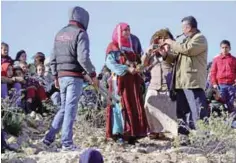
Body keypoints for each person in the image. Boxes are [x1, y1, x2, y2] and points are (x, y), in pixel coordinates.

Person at [43, 6, 98, 151]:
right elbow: (83, 58)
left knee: (63, 108)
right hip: (74, 77)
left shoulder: (59, 33)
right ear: (84, 19)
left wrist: (55, 75)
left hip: (61, 76)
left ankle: (48, 138)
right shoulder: (81, 33)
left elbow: (53, 57)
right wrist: (92, 74)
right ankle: (67, 143)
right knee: (70, 109)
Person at [161, 16, 208, 135]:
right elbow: (175, 58)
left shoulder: (200, 38)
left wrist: (171, 42)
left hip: (192, 82)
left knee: (197, 111)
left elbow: (188, 50)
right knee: (183, 112)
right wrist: (165, 54)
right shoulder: (185, 41)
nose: (182, 30)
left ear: (188, 27)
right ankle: (184, 137)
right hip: (181, 82)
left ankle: (201, 137)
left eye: (183, 27)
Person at [105, 22, 148, 144]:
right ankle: (120, 133)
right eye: (125, 30)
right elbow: (110, 63)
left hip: (132, 83)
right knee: (120, 106)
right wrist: (126, 69)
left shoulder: (131, 46)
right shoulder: (113, 47)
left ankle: (132, 134)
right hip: (120, 82)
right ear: (119, 32)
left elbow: (138, 61)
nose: (127, 32)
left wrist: (139, 67)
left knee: (133, 105)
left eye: (129, 30)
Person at [142, 29, 178, 139]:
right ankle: (154, 131)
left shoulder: (173, 50)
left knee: (170, 109)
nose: (160, 43)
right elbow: (143, 64)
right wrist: (148, 52)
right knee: (148, 106)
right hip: (154, 84)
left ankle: (168, 132)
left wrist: (166, 52)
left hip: (168, 85)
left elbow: (176, 61)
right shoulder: (152, 53)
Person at [210, 40, 236, 113]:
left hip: (231, 86)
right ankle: (221, 121)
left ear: (230, 48)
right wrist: (214, 84)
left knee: (231, 105)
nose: (224, 49)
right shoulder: (216, 60)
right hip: (220, 86)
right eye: (223, 47)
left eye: (226, 47)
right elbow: (213, 72)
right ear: (220, 48)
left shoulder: (234, 59)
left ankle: (232, 122)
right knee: (220, 104)